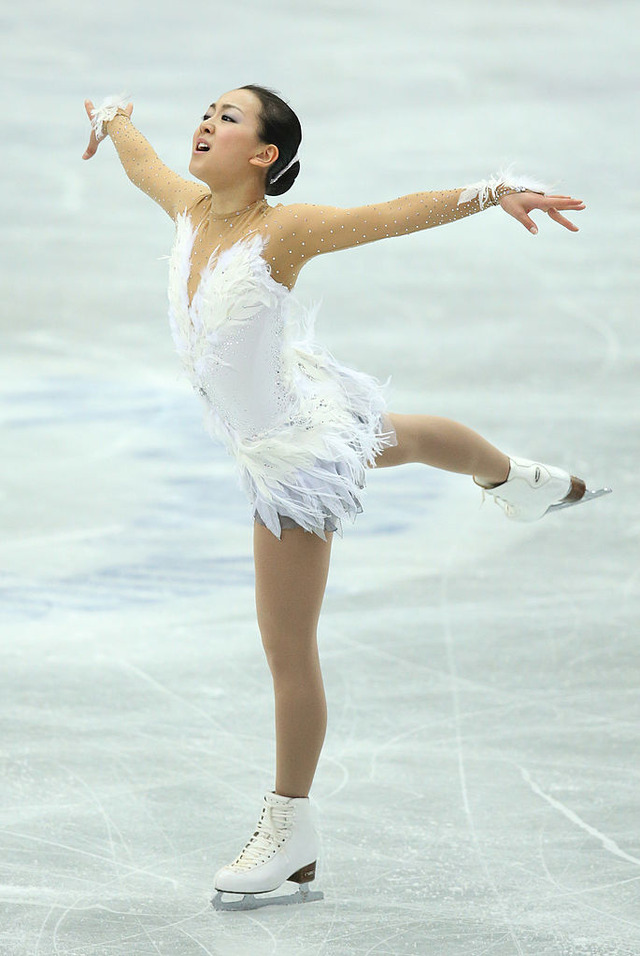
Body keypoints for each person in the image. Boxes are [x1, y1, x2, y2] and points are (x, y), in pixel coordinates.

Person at [82, 86, 610, 910]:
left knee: (287, 652)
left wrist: (492, 192)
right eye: (208, 110)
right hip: (298, 406)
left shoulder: (280, 232)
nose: (208, 123)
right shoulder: (189, 208)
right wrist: (112, 120)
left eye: (230, 119)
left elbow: (391, 213)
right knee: (404, 437)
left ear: (265, 156)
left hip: (290, 461)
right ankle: (520, 479)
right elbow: (141, 161)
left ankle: (289, 831)